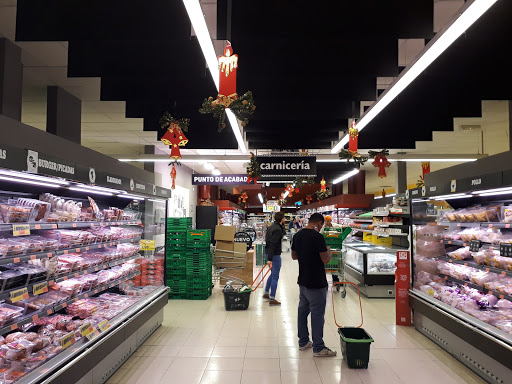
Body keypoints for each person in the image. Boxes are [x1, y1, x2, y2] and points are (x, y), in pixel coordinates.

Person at [291, 213, 337, 357]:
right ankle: (318, 347)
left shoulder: (298, 236)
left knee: (302, 311)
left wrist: (306, 255)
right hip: (317, 282)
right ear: (318, 223)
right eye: (321, 225)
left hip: (303, 280)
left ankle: (303, 342)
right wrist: (328, 252)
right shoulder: (318, 237)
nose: (321, 227)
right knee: (317, 314)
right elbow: (325, 260)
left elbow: (294, 256)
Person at [263, 211, 286, 305]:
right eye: (284, 218)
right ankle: (272, 298)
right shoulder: (277, 230)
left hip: (268, 252)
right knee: (275, 276)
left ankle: (266, 293)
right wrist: (270, 259)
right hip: (274, 255)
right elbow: (273, 244)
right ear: (282, 219)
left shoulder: (271, 227)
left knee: (272, 274)